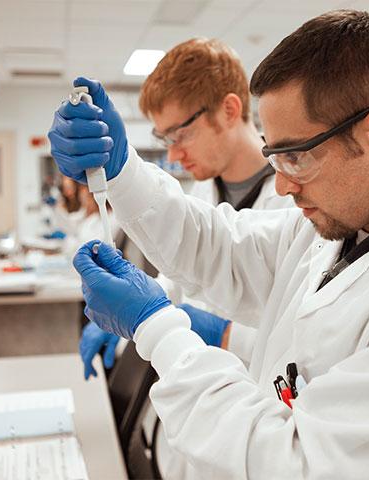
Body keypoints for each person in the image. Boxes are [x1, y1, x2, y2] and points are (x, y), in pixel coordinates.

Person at [49, 10, 369, 478]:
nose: (281, 186)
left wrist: (158, 329)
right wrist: (122, 170)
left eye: (296, 157)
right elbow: (219, 247)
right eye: (273, 157)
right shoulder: (339, 228)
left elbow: (294, 465)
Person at [78, 38, 293, 381]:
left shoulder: (299, 200)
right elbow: (178, 280)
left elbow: (304, 341)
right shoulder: (203, 188)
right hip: (197, 386)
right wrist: (127, 316)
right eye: (166, 140)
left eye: (180, 135)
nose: (174, 156)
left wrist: (223, 333)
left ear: (230, 110)